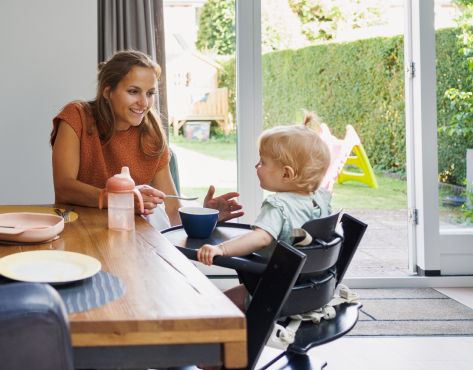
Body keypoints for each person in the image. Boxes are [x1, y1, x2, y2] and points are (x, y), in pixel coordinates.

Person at [51, 49, 243, 229]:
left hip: (128, 238)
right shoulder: (77, 116)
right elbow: (64, 187)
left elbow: (172, 212)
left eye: (150, 93)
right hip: (79, 230)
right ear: (108, 92)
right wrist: (119, 199)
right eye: (133, 91)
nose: (144, 103)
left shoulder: (152, 137)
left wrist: (206, 216)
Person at [197, 112, 332, 309]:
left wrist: (221, 249)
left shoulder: (279, 205)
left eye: (262, 162)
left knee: (211, 306)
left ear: (286, 174)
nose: (256, 166)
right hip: (307, 293)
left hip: (272, 294)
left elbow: (260, 238)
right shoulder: (320, 199)